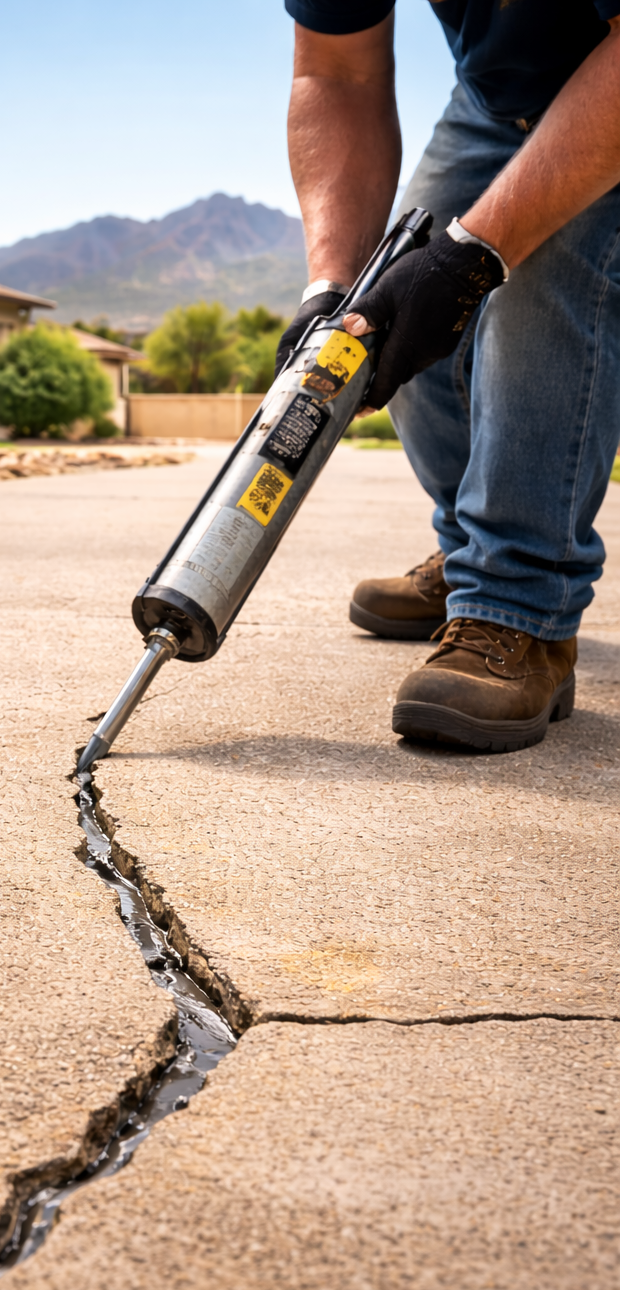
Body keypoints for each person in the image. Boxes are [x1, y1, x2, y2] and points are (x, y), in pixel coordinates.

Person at [276, 0, 620, 751]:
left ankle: (521, 605)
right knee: (396, 294)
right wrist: (331, 288)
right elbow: (336, 68)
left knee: (537, 276)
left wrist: (480, 252)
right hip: (497, 98)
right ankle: (476, 551)